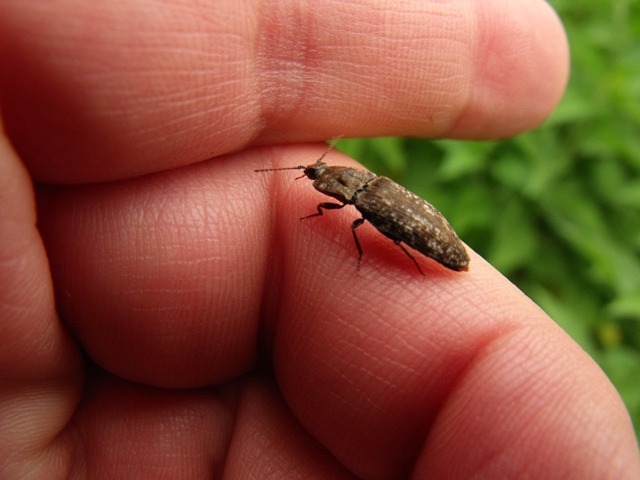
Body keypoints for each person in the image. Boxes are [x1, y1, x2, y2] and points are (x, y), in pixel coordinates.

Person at [1, 1, 638, 478]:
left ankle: (429, 258)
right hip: (418, 219)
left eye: (322, 182)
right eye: (321, 182)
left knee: (413, 239)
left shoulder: (358, 202)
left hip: (420, 232)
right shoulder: (362, 189)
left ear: (340, 185)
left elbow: (365, 218)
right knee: (417, 236)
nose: (319, 186)